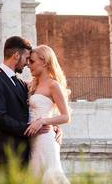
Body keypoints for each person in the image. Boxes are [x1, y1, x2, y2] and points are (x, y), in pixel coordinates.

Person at [0, 36, 38, 178]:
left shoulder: (21, 83)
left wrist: (51, 125)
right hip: (5, 155)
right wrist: (29, 129)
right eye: (26, 58)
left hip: (24, 154)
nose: (27, 64)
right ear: (16, 55)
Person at [24, 45, 71, 184]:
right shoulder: (32, 85)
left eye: (32, 61)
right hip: (32, 140)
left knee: (50, 177)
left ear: (44, 62)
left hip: (45, 139)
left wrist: (43, 121)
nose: (28, 65)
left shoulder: (53, 85)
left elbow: (66, 116)